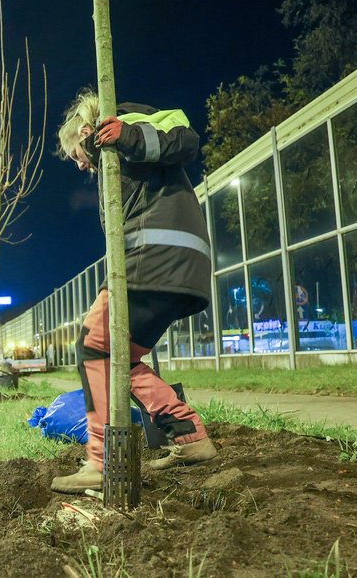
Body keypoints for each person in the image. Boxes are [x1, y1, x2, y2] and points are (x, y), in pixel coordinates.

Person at [50, 89, 218, 494]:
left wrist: (127, 135)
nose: (78, 163)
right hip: (171, 261)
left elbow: (185, 138)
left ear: (85, 130)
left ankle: (101, 460)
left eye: (75, 152)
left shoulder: (129, 120)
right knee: (119, 357)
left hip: (155, 255)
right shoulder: (114, 163)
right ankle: (190, 435)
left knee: (93, 344)